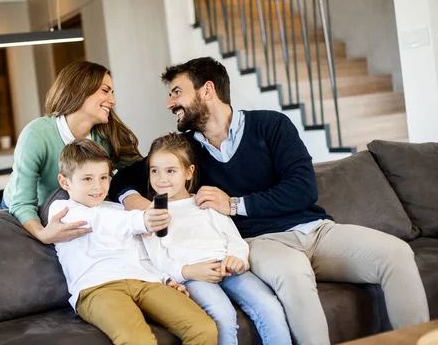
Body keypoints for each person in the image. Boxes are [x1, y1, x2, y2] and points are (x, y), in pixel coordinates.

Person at [109, 57, 430, 345]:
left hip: (316, 231)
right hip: (260, 242)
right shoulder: (186, 149)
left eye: (177, 92)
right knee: (293, 273)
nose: (170, 103)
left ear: (207, 91)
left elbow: (304, 189)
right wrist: (134, 200)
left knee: (397, 253)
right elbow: (124, 179)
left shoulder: (271, 125)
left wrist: (234, 204)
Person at [48, 139, 218, 345]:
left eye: (103, 177)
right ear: (65, 182)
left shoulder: (118, 210)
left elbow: (142, 253)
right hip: (98, 289)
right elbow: (99, 222)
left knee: (203, 329)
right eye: (87, 179)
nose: (98, 186)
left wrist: (165, 279)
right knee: (138, 341)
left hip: (145, 281)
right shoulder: (62, 211)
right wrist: (142, 220)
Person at [141, 133, 291, 345]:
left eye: (171, 171)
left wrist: (237, 258)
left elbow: (235, 240)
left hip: (227, 268)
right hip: (193, 276)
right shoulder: (152, 214)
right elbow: (158, 261)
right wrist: (188, 272)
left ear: (188, 172)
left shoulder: (206, 202)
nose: (161, 179)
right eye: (154, 171)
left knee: (269, 305)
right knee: (222, 315)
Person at [2, 61, 171, 244]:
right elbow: (22, 203)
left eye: (112, 93)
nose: (113, 101)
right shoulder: (36, 134)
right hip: (29, 209)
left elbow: (138, 171)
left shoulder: (107, 135)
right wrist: (43, 234)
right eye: (105, 91)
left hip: (75, 206)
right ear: (79, 90)